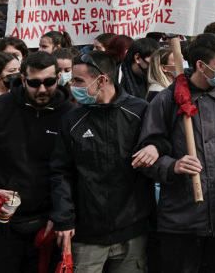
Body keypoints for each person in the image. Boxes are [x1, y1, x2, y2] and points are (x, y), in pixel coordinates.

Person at [0, 51, 75, 272]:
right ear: (22, 80)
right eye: (34, 83)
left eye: (49, 82)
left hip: (47, 225)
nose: (42, 89)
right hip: (2, 223)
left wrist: (61, 214)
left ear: (59, 78)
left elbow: (72, 171)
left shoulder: (69, 114)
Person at [137, 33, 215, 273]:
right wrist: (172, 166)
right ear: (200, 66)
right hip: (181, 220)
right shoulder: (166, 101)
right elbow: (145, 156)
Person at [50, 51, 156, 272]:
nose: (72, 86)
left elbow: (163, 144)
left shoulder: (140, 111)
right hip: (86, 236)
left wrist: (157, 147)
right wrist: (64, 218)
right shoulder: (71, 119)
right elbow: (61, 172)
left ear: (102, 80)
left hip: (132, 234)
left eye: (79, 80)